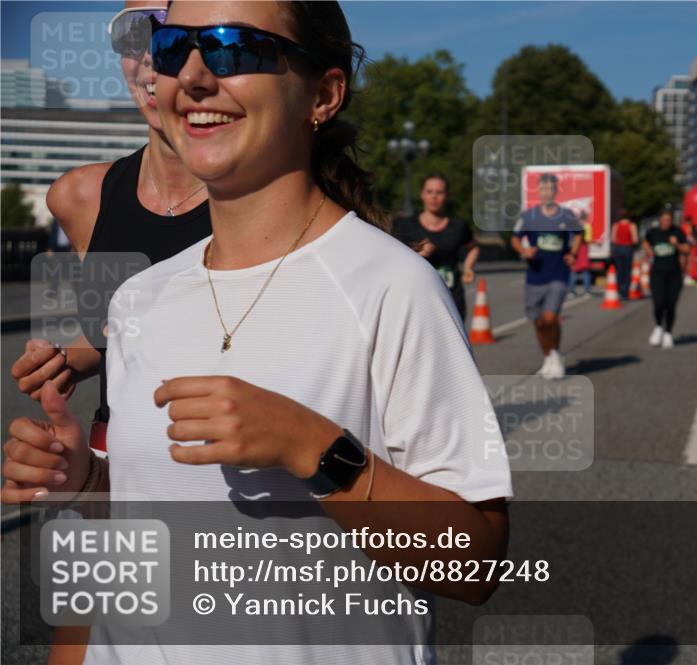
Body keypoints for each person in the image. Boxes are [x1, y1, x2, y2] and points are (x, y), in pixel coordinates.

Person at [4, 4, 511, 665]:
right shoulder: (139, 299)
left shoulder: (391, 285)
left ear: (323, 95)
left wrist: (311, 445)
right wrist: (87, 485)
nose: (190, 75)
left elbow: (473, 566)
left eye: (232, 50)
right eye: (171, 48)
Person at [8, 2, 212, 452]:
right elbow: (117, 334)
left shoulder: (271, 198)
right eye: (132, 33)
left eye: (175, 32)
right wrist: (62, 361)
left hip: (238, 480)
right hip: (115, 467)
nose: (151, 55)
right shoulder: (80, 197)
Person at [511, 173, 582, 379]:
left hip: (558, 273)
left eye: (550, 189)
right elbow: (515, 239)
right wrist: (524, 251)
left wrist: (573, 253)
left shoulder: (567, 215)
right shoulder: (528, 216)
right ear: (538, 191)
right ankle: (549, 357)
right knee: (539, 322)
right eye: (543, 189)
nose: (546, 193)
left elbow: (579, 233)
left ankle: (555, 355)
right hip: (535, 276)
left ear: (556, 191)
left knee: (550, 318)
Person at [392, 173, 478, 322]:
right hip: (418, 299)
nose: (434, 197)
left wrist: (468, 267)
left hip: (451, 298)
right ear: (422, 194)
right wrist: (418, 254)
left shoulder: (458, 225)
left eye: (439, 192)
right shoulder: (405, 225)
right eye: (429, 192)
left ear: (447, 196)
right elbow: (391, 258)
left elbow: (473, 247)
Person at [643, 210, 688, 348]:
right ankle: (658, 327)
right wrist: (648, 250)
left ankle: (668, 333)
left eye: (669, 220)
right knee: (658, 303)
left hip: (674, 274)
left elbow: (686, 249)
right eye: (664, 220)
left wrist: (677, 245)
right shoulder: (653, 232)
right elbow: (645, 242)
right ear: (660, 220)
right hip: (657, 273)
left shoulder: (678, 232)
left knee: (670, 305)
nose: (666, 222)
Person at [610, 213, 639, 300]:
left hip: (618, 249)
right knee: (627, 271)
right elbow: (635, 240)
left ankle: (619, 290)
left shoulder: (616, 225)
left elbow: (613, 239)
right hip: (628, 249)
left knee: (619, 270)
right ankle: (625, 292)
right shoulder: (632, 225)